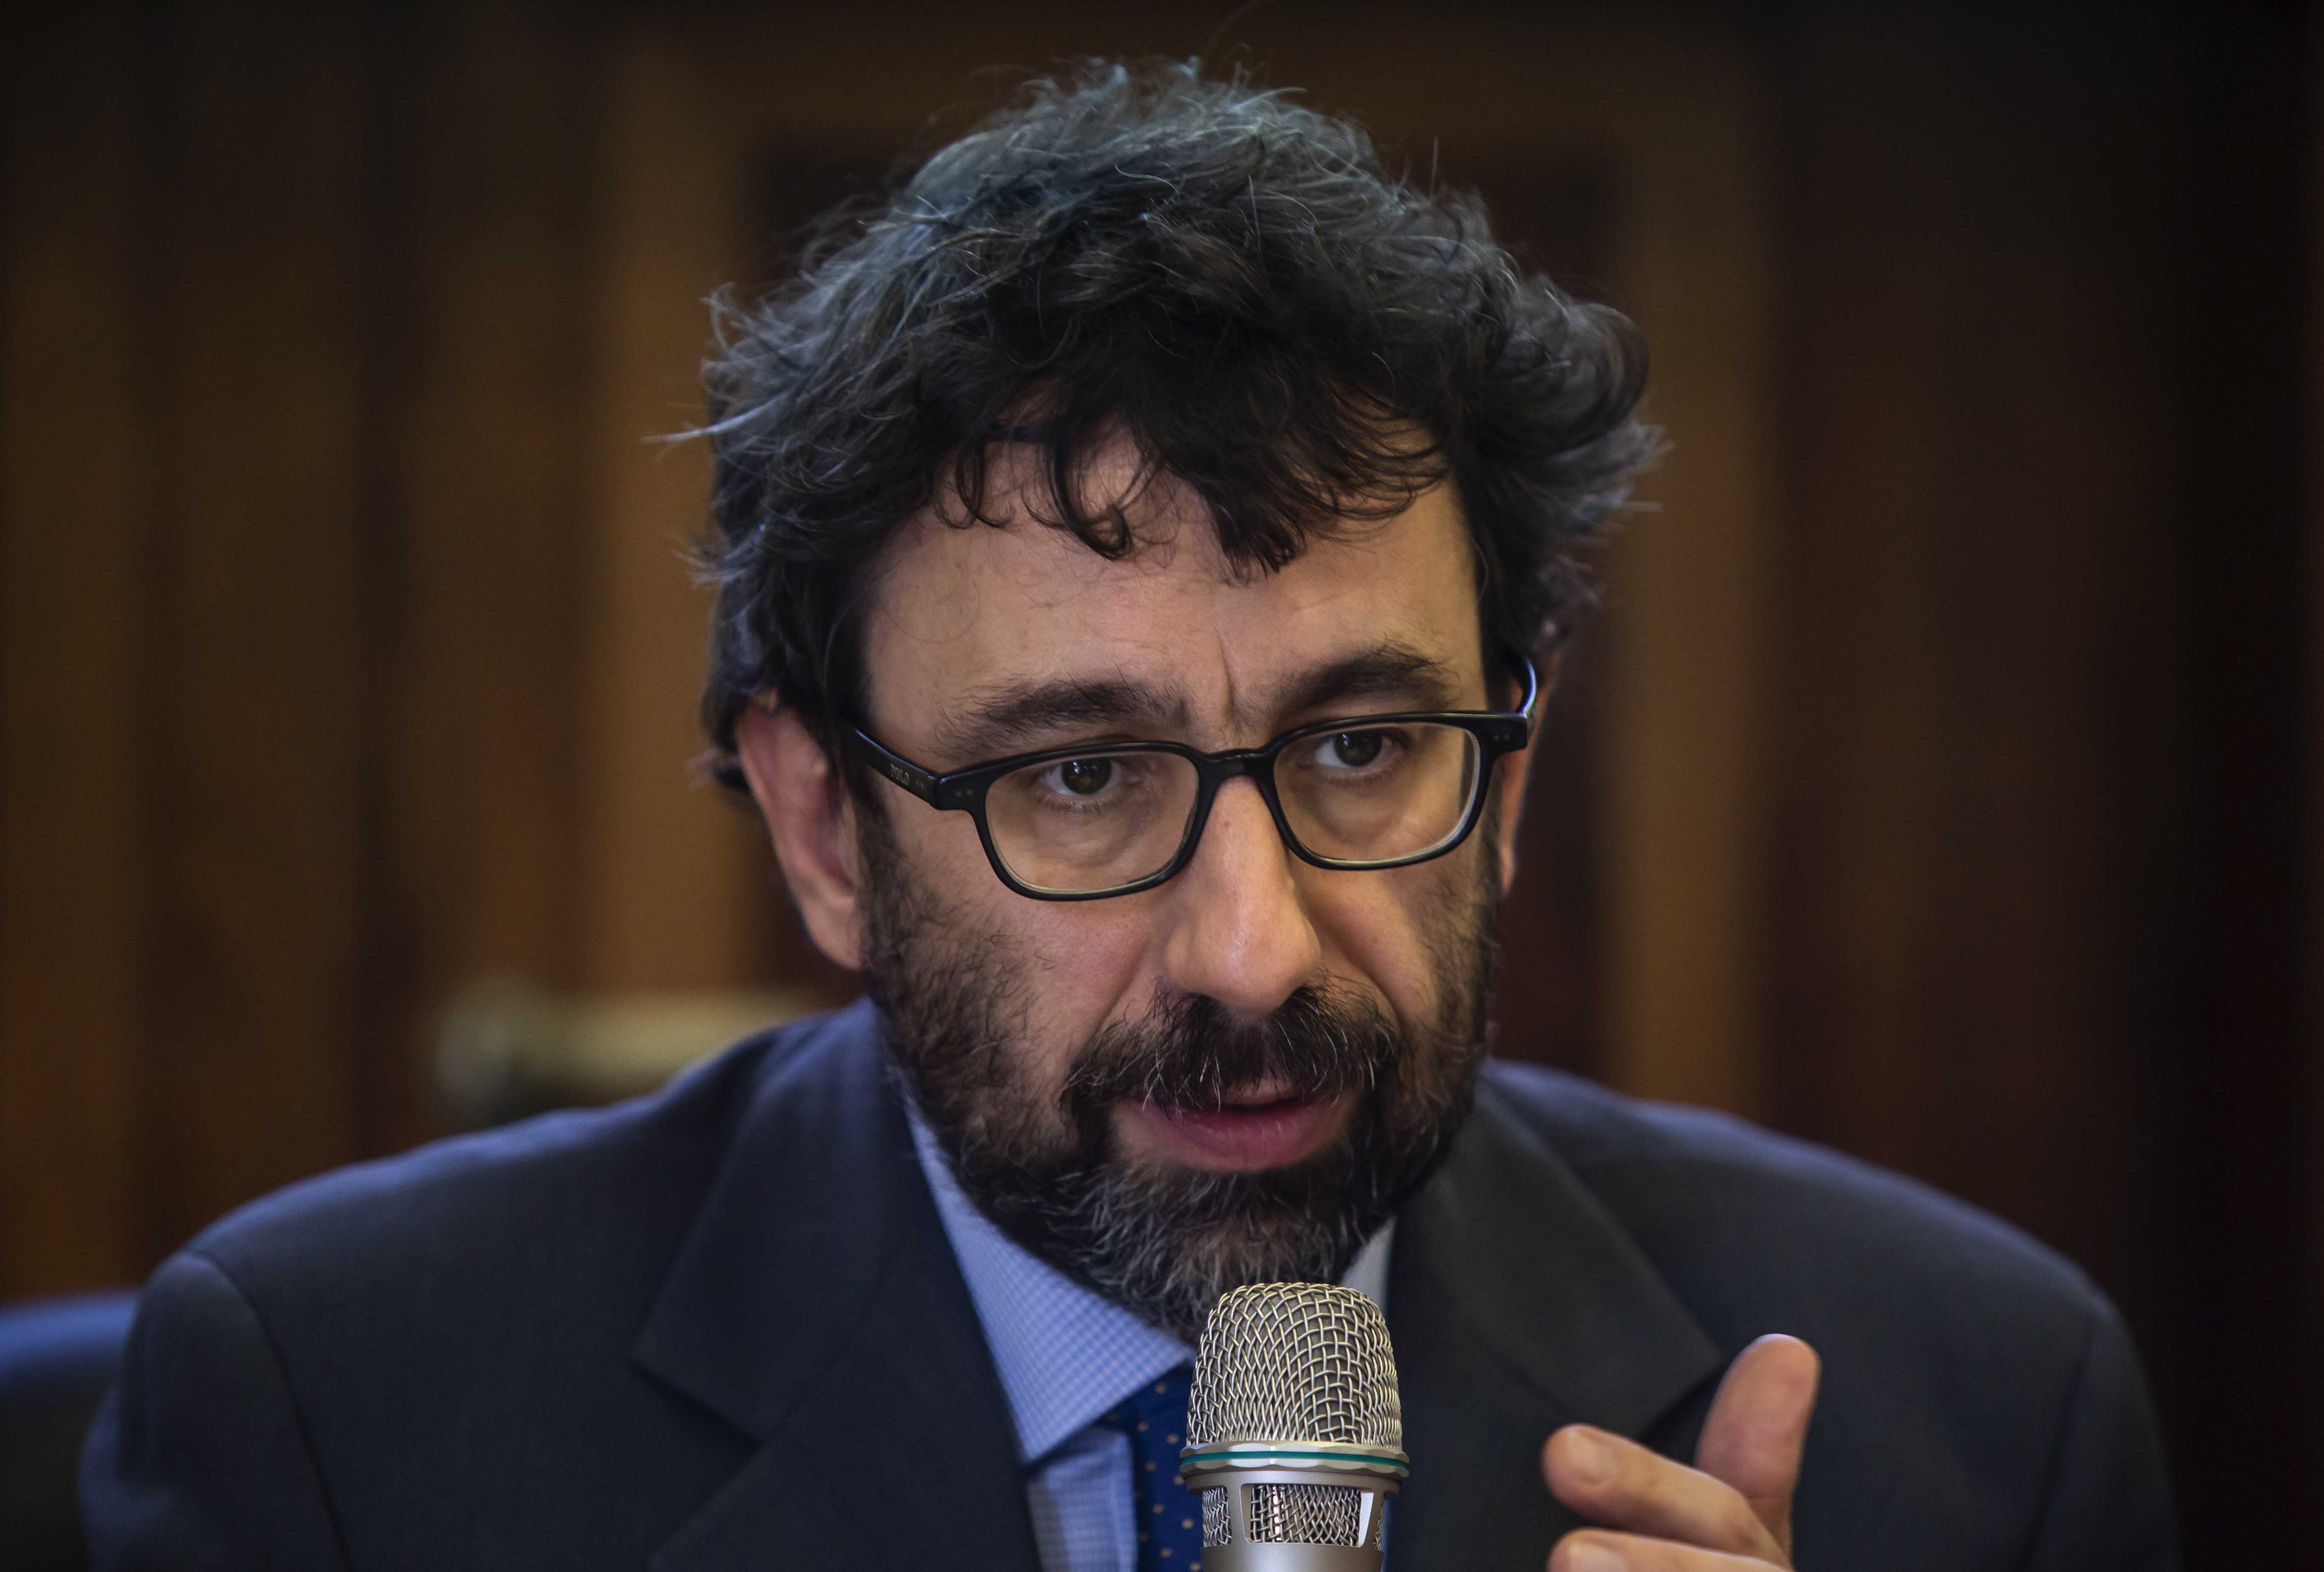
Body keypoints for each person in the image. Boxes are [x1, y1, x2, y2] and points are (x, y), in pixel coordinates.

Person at [80, 62, 2176, 1572]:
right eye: (1079, 776)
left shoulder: (1980, 1418)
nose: (1254, 951)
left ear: (1510, 781)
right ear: (822, 829)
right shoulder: (341, 1423)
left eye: (1364, 749)